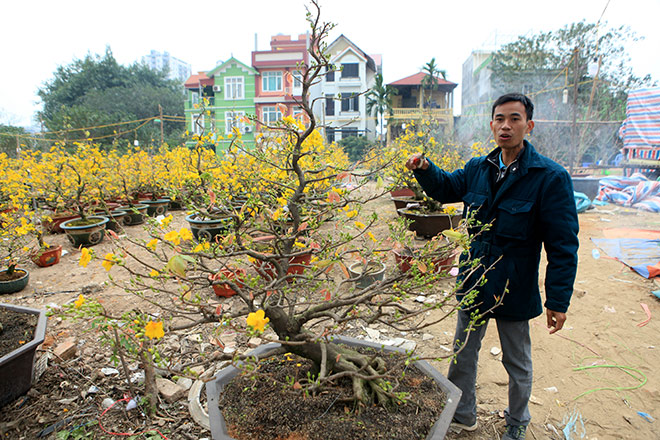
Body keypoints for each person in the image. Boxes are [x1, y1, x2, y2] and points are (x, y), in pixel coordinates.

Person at [405, 93, 579, 440]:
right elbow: (447, 187)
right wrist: (425, 169)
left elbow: (562, 245)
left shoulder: (549, 178)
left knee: (516, 362)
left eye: (515, 119)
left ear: (528, 125)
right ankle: (462, 413)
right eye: (500, 119)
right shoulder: (478, 169)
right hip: (474, 278)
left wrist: (558, 301)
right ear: (491, 125)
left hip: (514, 285)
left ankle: (516, 421)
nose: (506, 126)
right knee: (463, 353)